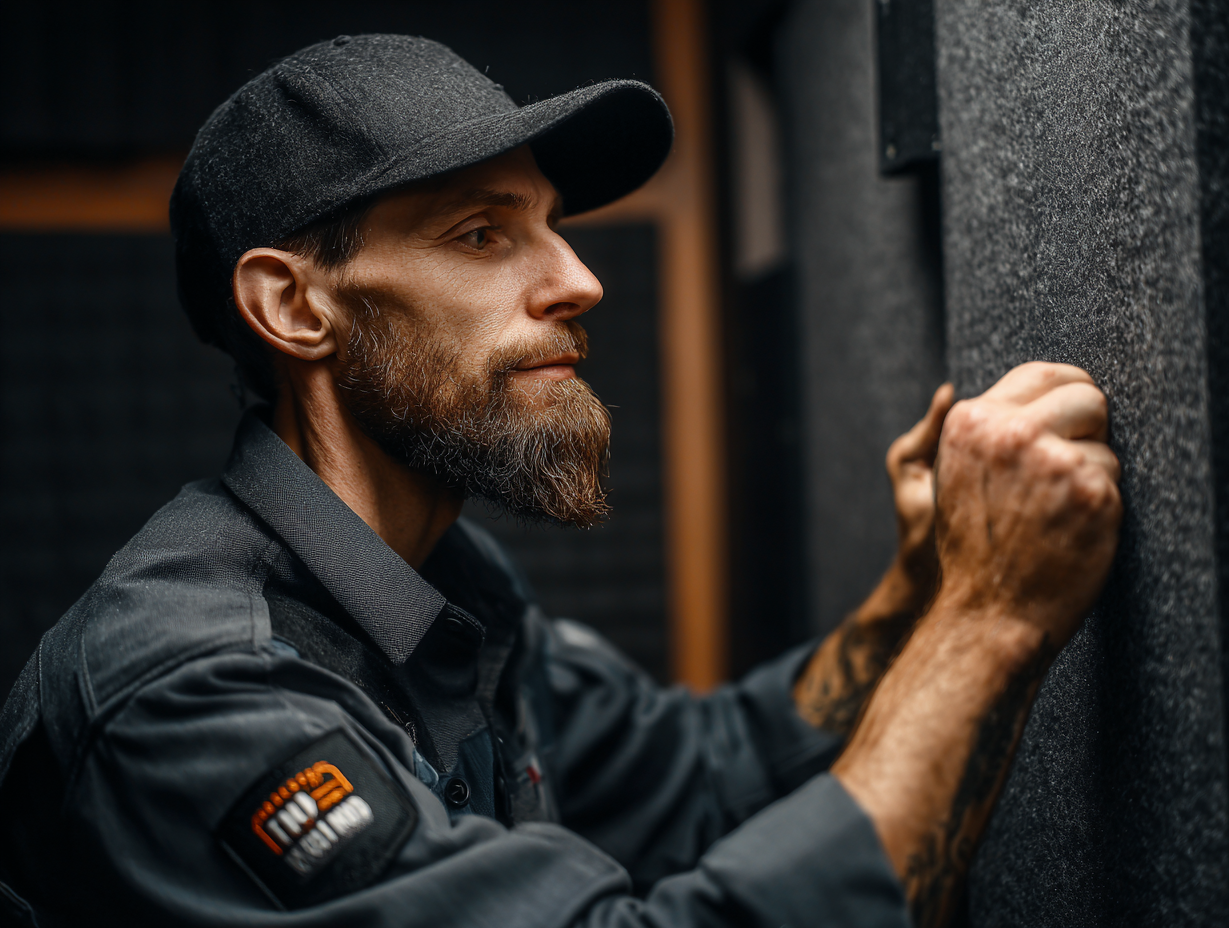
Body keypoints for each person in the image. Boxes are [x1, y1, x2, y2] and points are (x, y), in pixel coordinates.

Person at [0, 35, 1122, 928]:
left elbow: (700, 771)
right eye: (483, 234)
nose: (579, 281)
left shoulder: (446, 586)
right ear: (296, 308)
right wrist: (984, 623)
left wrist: (918, 595)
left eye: (554, 226)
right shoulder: (190, 694)